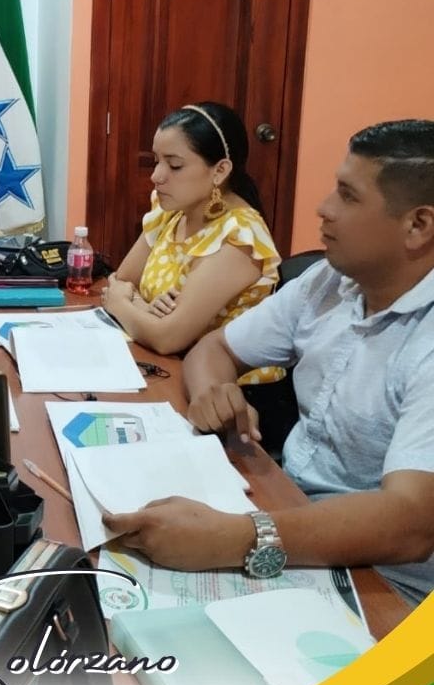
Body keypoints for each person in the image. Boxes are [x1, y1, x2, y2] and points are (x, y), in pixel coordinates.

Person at [103, 120, 434, 606]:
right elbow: (215, 349)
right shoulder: (328, 281)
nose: (324, 208)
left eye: (347, 196)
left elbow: (411, 523)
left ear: (418, 226)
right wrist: (214, 391)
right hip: (287, 508)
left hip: (384, 584)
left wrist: (233, 538)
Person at [102, 102, 281, 379]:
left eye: (174, 165)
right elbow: (121, 281)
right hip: (167, 366)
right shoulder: (172, 211)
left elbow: (168, 337)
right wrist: (143, 308)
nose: (156, 176)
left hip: (222, 389)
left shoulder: (240, 236)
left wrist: (120, 305)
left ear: (219, 171)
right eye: (156, 161)